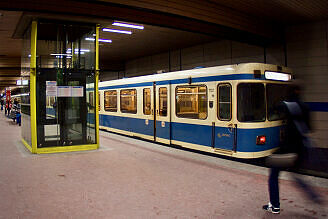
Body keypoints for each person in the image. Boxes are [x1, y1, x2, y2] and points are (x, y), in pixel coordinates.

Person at [262, 83, 312, 214]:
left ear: (290, 91)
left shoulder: (285, 105)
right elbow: (309, 128)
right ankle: (314, 195)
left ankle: (275, 205)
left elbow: (273, 110)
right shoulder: (305, 107)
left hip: (286, 150)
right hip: (300, 149)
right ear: (299, 91)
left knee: (273, 175)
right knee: (296, 174)